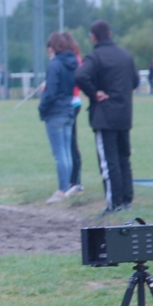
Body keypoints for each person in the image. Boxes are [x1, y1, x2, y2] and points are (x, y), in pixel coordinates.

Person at [74, 20, 139, 217]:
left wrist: (95, 93)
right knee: (124, 159)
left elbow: (80, 76)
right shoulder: (126, 55)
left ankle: (114, 204)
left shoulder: (95, 56)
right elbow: (135, 81)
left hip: (105, 116)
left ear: (94, 37)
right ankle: (126, 200)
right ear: (110, 34)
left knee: (109, 161)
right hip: (124, 114)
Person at [39, 32, 79, 204]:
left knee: (60, 154)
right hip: (69, 109)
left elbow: (51, 92)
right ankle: (68, 185)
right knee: (66, 151)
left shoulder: (55, 65)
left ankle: (62, 189)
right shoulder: (72, 63)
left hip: (56, 113)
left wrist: (42, 107)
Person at [65, 33, 85, 197]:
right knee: (68, 143)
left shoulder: (74, 60)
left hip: (72, 103)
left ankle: (75, 181)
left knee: (71, 143)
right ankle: (71, 180)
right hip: (71, 103)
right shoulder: (72, 60)